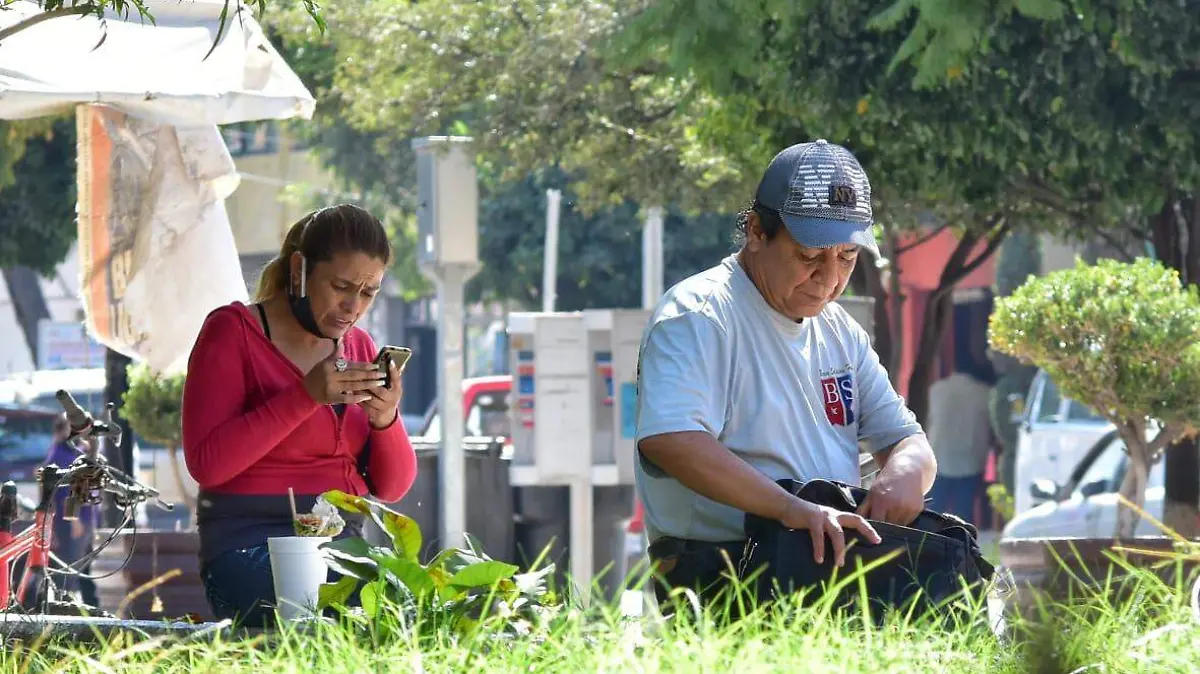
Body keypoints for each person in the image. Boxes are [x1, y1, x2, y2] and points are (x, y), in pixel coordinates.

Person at [634, 139, 937, 608]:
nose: (830, 278)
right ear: (757, 231)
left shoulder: (840, 331)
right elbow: (671, 439)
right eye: (810, 256)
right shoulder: (700, 315)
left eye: (847, 258)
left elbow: (907, 439)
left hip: (826, 564)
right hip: (725, 571)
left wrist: (903, 473)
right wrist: (790, 510)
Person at [182, 204, 419, 626]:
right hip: (248, 540)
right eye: (341, 286)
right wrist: (305, 396)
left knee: (411, 618)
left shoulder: (359, 347)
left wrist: (386, 420)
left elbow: (393, 487)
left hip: (341, 539)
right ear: (300, 270)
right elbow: (208, 464)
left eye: (368, 292)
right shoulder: (233, 332)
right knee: (311, 622)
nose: (352, 307)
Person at [44, 414, 99, 608]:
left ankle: (90, 603)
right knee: (70, 565)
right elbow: (60, 493)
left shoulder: (78, 451)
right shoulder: (58, 455)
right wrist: (74, 519)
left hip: (86, 518)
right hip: (71, 520)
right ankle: (63, 605)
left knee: (84, 566)